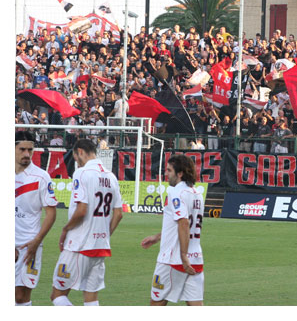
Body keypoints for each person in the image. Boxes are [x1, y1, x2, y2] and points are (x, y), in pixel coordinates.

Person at [50, 139, 123, 306]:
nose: (76, 161)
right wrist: (104, 235)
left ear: (80, 152)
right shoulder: (111, 176)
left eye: (75, 157)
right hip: (101, 247)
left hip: (79, 244)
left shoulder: (82, 173)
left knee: (57, 295)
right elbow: (118, 214)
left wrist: (65, 229)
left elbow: (82, 210)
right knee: (91, 300)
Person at [141, 155, 205, 306]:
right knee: (196, 305)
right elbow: (183, 225)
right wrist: (158, 237)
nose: (166, 173)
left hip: (173, 259)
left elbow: (183, 223)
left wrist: (183, 255)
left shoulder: (175, 192)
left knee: (157, 303)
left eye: (169, 170)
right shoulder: (197, 194)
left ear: (180, 173)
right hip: (196, 258)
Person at [15, 131, 58, 306]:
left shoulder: (41, 177)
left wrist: (37, 241)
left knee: (20, 296)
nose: (27, 154)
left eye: (30, 150)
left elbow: (51, 213)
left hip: (29, 245)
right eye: (22, 149)